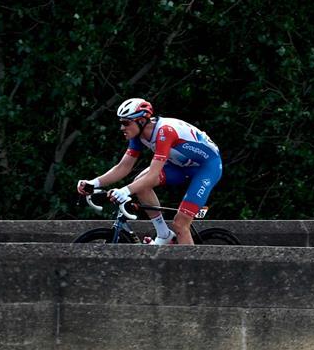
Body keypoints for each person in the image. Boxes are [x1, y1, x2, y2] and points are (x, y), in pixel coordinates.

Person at [76, 98, 222, 245]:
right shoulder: (138, 135)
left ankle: (191, 267)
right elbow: (123, 167)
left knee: (180, 225)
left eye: (126, 123)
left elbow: (153, 175)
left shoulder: (165, 131)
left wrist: (125, 191)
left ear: (140, 121)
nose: (122, 128)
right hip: (179, 165)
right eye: (121, 123)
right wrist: (93, 183)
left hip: (206, 168)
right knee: (140, 183)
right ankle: (164, 234)